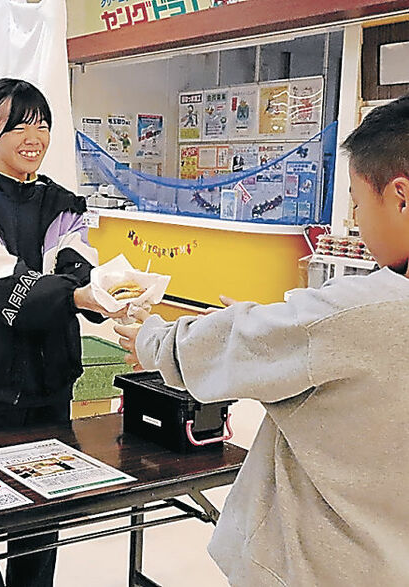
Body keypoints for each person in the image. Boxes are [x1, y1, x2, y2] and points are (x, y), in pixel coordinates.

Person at [116, 95, 409, 585]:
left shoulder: (366, 307)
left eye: (358, 203)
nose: (356, 220)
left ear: (401, 195)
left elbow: (239, 344)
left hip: (318, 564)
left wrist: (152, 338)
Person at [0, 78, 120, 587]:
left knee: (44, 510)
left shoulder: (65, 203)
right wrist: (67, 292)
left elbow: (76, 266)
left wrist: (97, 291)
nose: (33, 137)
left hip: (51, 377)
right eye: (19, 125)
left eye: (42, 124)